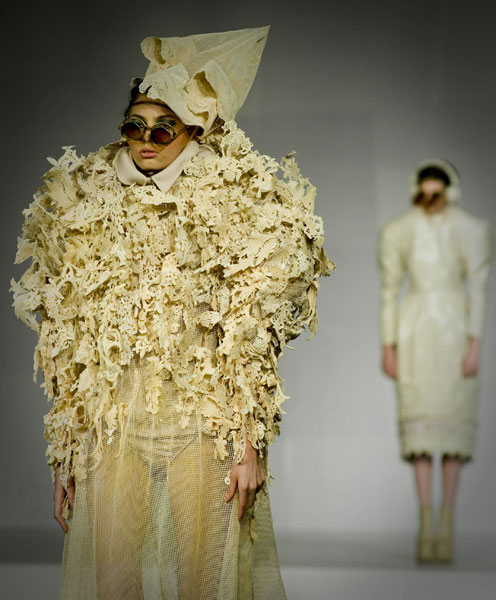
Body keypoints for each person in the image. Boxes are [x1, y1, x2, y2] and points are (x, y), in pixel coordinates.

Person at [10, 26, 333, 599]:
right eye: (134, 126)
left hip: (200, 423)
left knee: (205, 581)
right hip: (114, 425)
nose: (147, 140)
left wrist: (249, 445)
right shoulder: (82, 200)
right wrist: (65, 453)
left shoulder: (238, 197)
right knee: (111, 582)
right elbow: (70, 340)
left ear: (192, 131)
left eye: (164, 128)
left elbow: (251, 335)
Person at [378, 159, 492, 563]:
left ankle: (447, 523)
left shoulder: (471, 229)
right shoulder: (400, 230)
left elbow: (479, 287)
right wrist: (389, 344)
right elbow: (389, 289)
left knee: (453, 435)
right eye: (423, 193)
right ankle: (426, 522)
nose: (429, 201)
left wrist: (475, 342)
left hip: (454, 330)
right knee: (422, 433)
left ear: (450, 192)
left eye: (436, 194)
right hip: (416, 331)